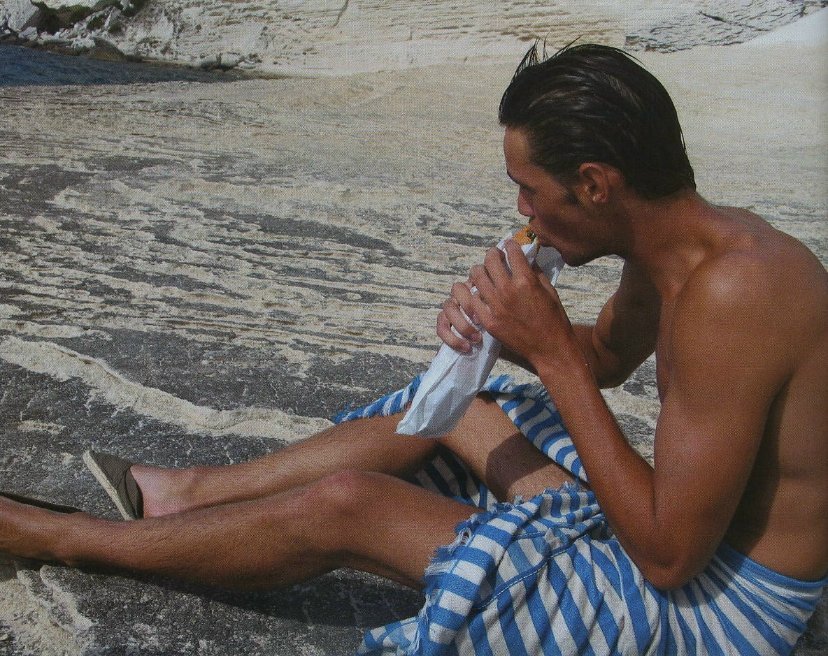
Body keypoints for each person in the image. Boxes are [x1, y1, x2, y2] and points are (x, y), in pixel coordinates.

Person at [1, 43, 826, 654]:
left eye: (531, 191)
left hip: (713, 615)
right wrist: (506, 331)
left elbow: (671, 556)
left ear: (594, 184)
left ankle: (69, 539)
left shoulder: (736, 294)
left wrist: (550, 351)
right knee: (457, 409)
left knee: (350, 505)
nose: (524, 214)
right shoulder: (677, 248)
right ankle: (188, 495)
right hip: (676, 543)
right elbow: (605, 358)